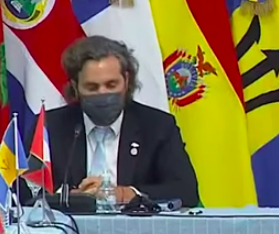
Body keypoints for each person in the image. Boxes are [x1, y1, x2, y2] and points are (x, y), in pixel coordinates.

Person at [33, 36, 199, 207]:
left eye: (111, 85)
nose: (102, 93)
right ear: (75, 87)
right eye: (92, 87)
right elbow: (25, 191)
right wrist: (68, 198)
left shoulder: (157, 126)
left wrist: (124, 194)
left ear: (126, 81)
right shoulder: (49, 127)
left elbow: (186, 190)